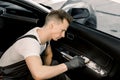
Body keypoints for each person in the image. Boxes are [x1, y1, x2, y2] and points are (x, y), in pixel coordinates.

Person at [0, 9, 85, 80]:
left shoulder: (42, 34)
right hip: (8, 76)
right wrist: (69, 65)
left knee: (54, 65)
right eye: (62, 30)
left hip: (22, 72)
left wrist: (46, 73)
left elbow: (48, 55)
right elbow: (38, 75)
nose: (63, 35)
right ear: (52, 25)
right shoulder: (30, 43)